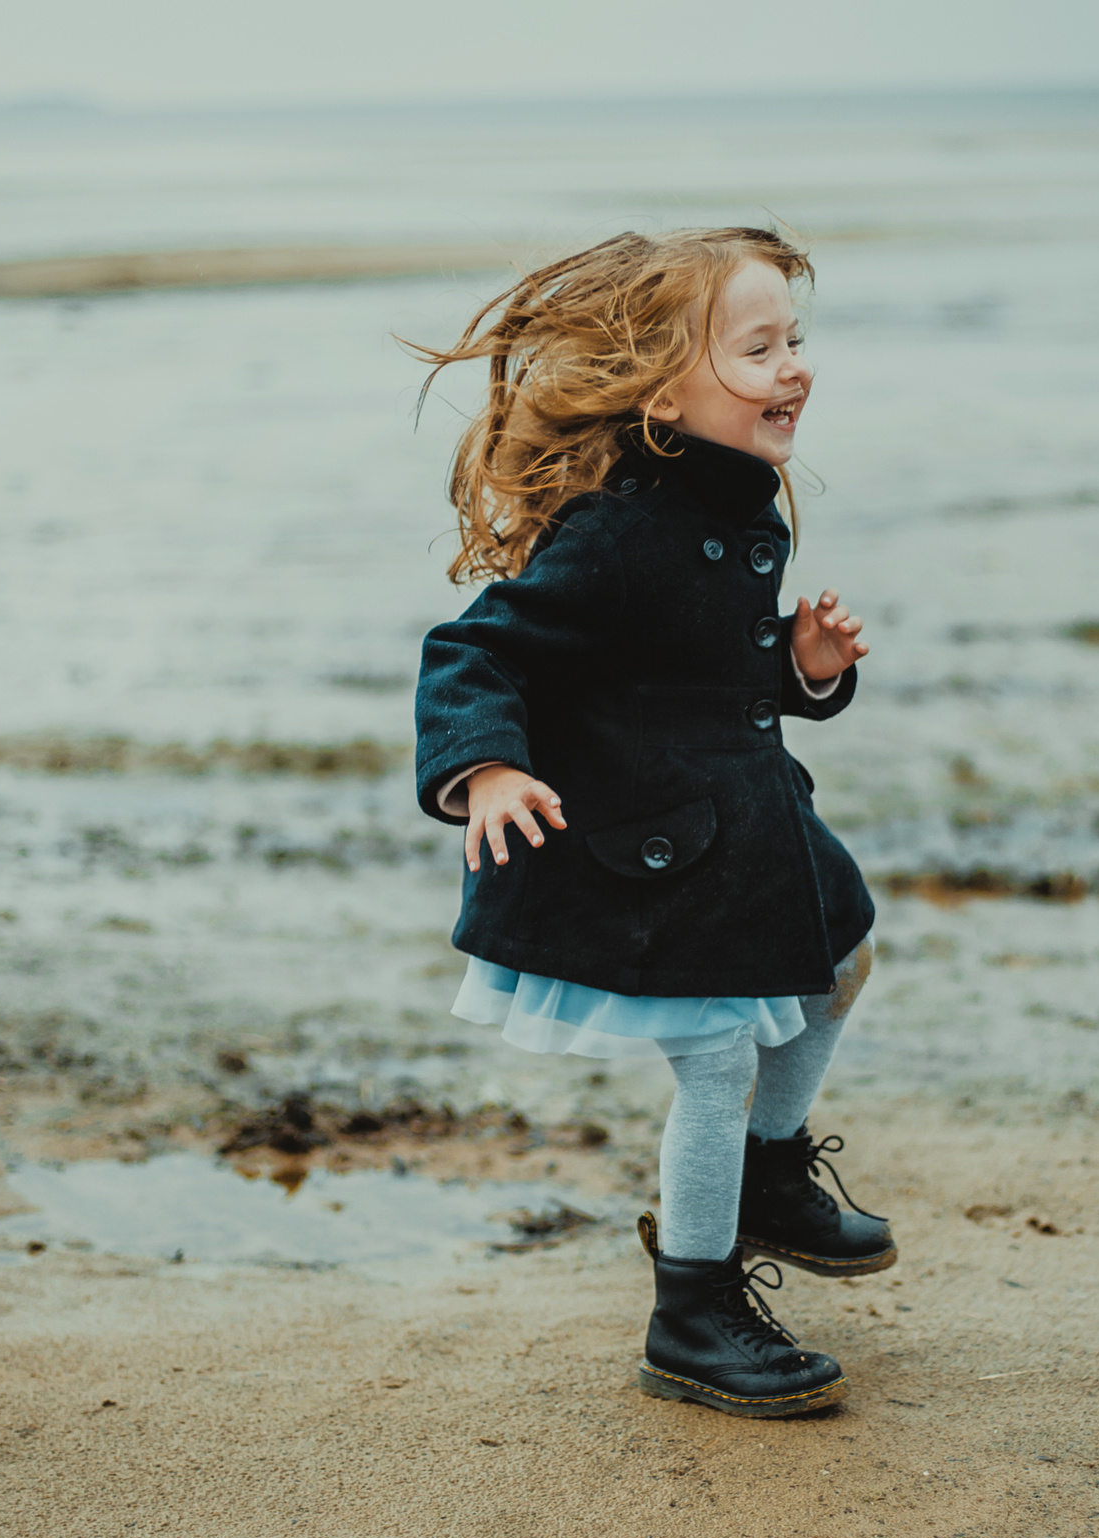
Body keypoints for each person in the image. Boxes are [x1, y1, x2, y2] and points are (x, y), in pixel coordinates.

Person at [411, 228, 893, 1417]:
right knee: (719, 1055)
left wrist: (803, 667)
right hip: (657, 847)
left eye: (796, 342)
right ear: (664, 390)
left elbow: (693, 677)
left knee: (844, 957)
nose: (794, 369)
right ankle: (693, 1313)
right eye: (758, 349)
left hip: (745, 826)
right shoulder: (619, 528)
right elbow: (474, 649)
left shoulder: (728, 498)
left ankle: (769, 1173)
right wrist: (486, 775)